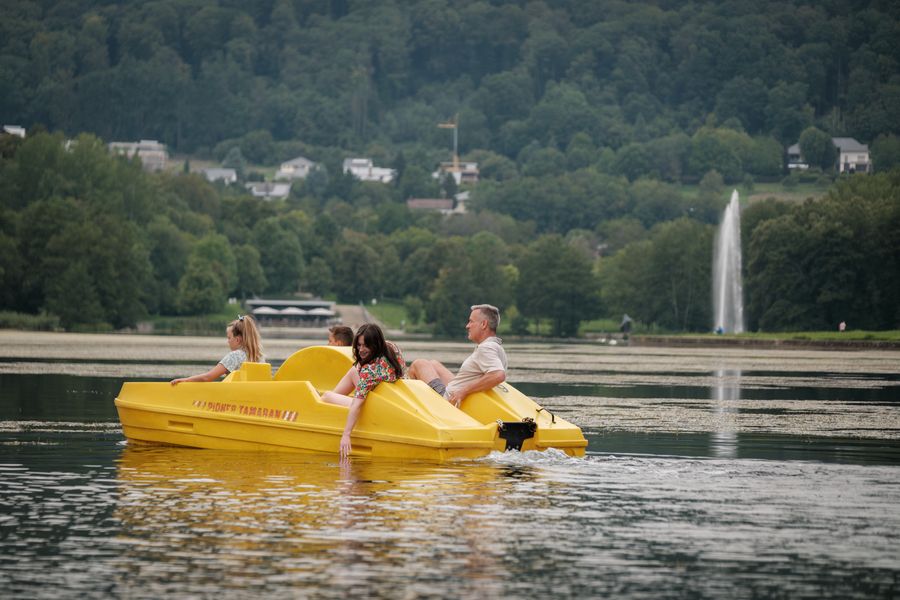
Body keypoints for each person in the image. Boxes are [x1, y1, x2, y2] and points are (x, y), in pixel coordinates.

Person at [321, 324, 405, 458]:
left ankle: (320, 407)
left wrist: (346, 434)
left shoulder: (369, 371)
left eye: (366, 346)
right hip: (390, 396)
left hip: (376, 405)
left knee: (326, 396)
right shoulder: (392, 348)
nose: (361, 349)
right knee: (353, 371)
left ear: (375, 345)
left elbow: (357, 405)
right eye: (359, 345)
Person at [408, 304, 507, 408]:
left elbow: (498, 375)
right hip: (457, 391)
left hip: (449, 401)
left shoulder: (486, 348)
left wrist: (463, 391)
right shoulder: (497, 346)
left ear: (483, 324)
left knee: (419, 364)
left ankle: (414, 408)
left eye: (471, 321)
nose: (467, 326)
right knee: (434, 364)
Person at [170, 315, 264, 385]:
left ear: (237, 340)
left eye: (229, 338)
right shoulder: (259, 356)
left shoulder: (234, 356)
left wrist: (185, 380)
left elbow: (207, 377)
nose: (228, 341)